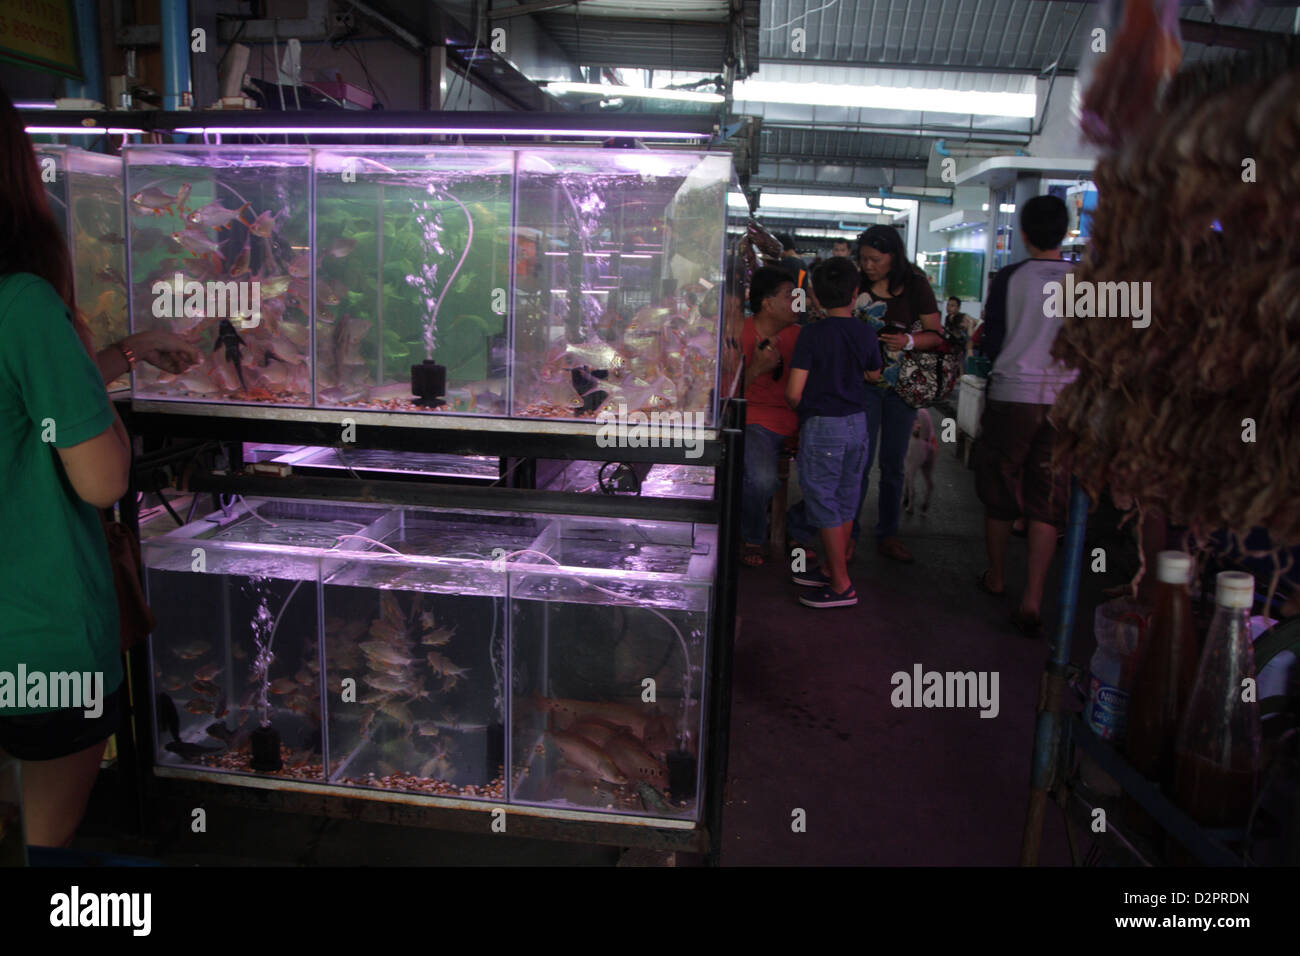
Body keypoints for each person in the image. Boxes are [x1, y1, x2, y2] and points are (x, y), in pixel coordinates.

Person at [0, 88, 199, 847]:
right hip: (37, 643)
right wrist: (93, 379)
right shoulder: (21, 304)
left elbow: (23, 413)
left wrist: (128, 353)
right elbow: (101, 478)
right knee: (44, 840)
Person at [973, 195, 1076, 638]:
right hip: (1065, 402)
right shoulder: (1085, 279)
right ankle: (1033, 597)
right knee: (1047, 497)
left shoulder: (1011, 278)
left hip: (1012, 395)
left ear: (1025, 233)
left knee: (998, 487)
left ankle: (997, 578)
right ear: (1065, 232)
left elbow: (991, 338)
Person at [785, 257, 882, 608]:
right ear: (856, 294)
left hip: (824, 423)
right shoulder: (865, 332)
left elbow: (794, 392)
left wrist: (805, 409)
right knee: (844, 498)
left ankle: (841, 585)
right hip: (859, 422)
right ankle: (831, 568)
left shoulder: (812, 334)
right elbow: (874, 374)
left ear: (814, 295)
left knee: (822, 500)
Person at [850, 224, 945, 564]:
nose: (868, 265)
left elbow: (935, 334)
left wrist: (907, 341)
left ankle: (887, 534)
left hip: (901, 387)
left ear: (893, 256)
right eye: (863, 259)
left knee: (893, 465)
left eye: (875, 259)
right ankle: (849, 534)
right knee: (857, 463)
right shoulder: (856, 283)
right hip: (862, 385)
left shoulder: (915, 285)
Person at [740, 267, 802, 567]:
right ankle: (753, 533)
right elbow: (723, 394)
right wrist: (758, 369)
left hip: (799, 422)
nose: (798, 303)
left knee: (846, 474)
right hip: (754, 423)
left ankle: (796, 525)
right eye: (791, 296)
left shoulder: (800, 336)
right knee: (762, 481)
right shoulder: (739, 333)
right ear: (767, 303)